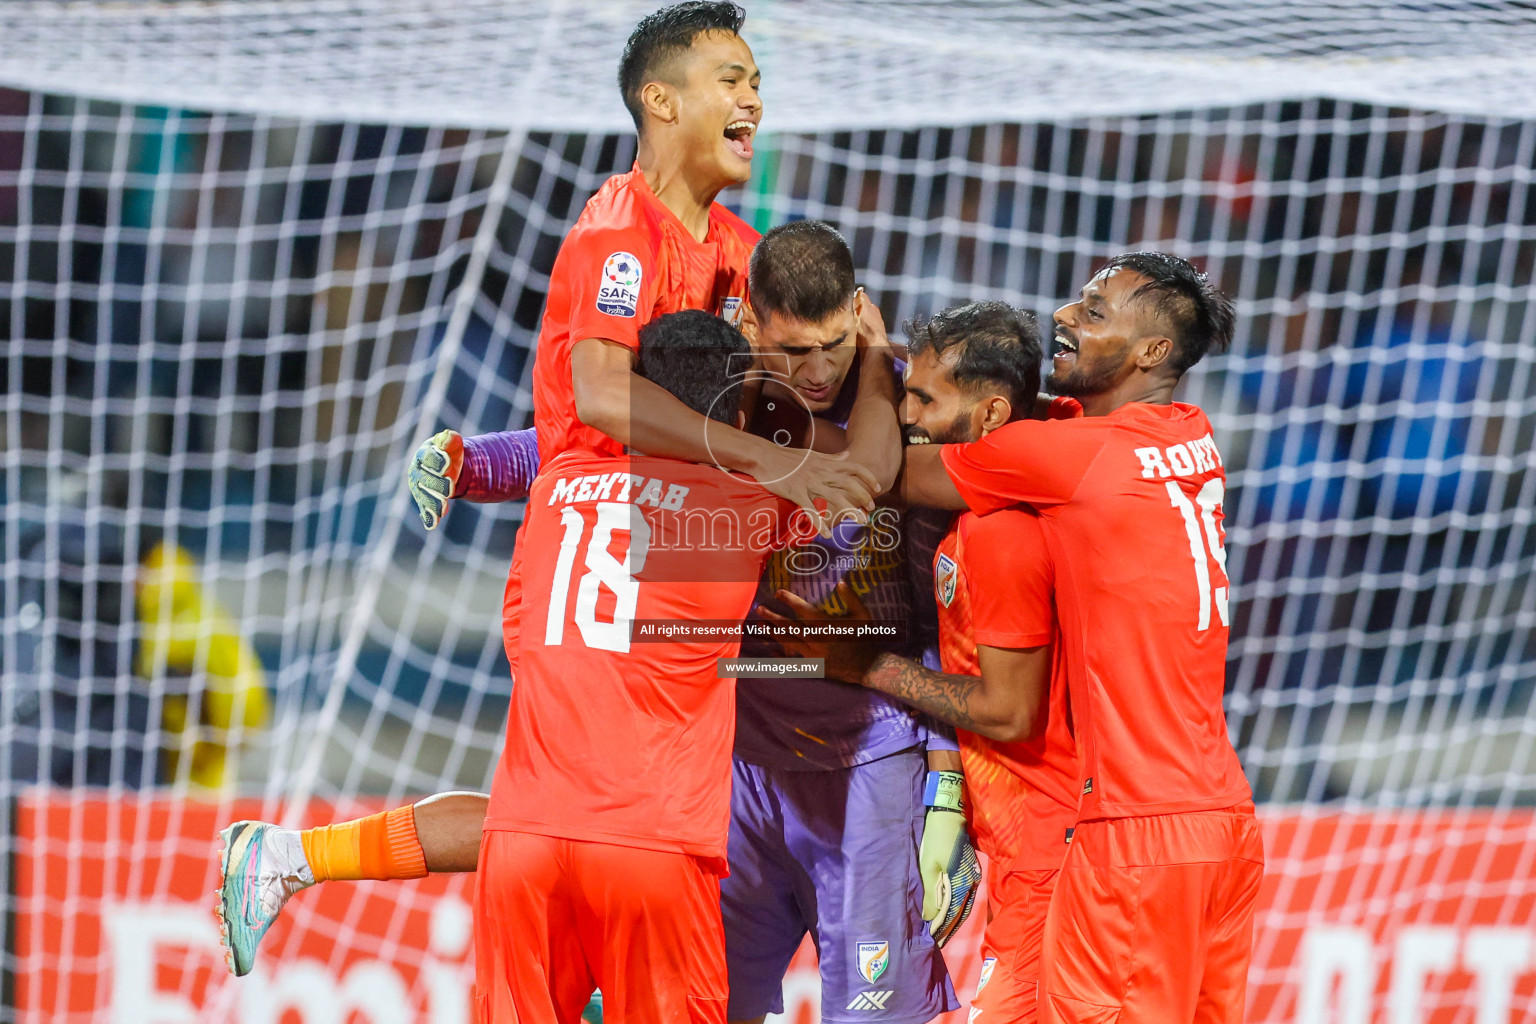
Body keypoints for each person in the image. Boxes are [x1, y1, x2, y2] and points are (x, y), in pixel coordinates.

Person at [214, 3, 883, 978]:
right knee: (606, 808)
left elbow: (744, 405)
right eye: (730, 76)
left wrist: (855, 352)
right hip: (616, 557)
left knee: (595, 807)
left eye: (756, 80)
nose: (754, 95)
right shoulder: (620, 230)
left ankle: (292, 856)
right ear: (660, 99)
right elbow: (601, 406)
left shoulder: (747, 252)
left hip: (684, 538)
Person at [899, 253, 1264, 1024]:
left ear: (1151, 353)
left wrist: (871, 373)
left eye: (1094, 313)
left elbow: (894, 472)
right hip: (1223, 822)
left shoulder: (1071, 459)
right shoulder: (1190, 434)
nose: (1063, 317)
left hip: (1132, 830)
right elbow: (1056, 421)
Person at [478, 308, 807, 1024]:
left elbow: (520, 638)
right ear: (736, 411)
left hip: (523, 839)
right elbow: (867, 473)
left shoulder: (555, 485)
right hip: (652, 843)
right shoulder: (743, 502)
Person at [766, 301, 1080, 1024]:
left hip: (1054, 849)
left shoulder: (1004, 534)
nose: (905, 411)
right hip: (1031, 840)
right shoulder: (991, 495)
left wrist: (861, 663)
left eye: (924, 398)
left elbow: (1008, 709)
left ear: (995, 414)